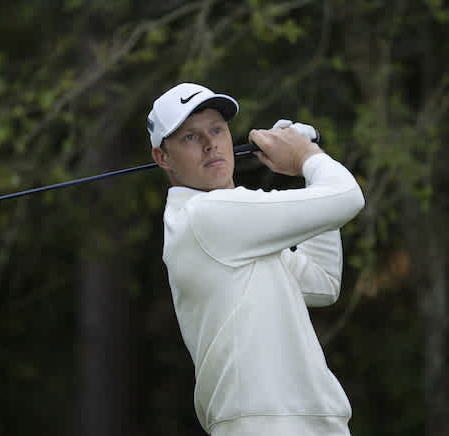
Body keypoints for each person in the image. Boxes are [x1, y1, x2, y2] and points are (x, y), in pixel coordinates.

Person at [148, 82, 365, 436]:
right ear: (163, 158)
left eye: (216, 130)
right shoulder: (206, 217)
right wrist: (308, 156)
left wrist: (305, 167)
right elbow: (347, 197)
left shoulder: (235, 228)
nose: (210, 144)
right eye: (189, 137)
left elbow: (322, 283)